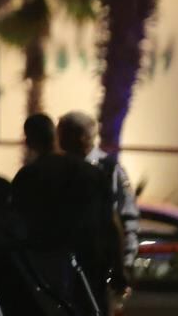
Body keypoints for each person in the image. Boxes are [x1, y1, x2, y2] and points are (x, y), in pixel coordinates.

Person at [9, 113, 119, 299]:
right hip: (90, 263)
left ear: (29, 141)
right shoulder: (91, 173)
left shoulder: (28, 177)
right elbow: (111, 223)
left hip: (45, 268)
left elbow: (17, 224)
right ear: (55, 135)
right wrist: (118, 269)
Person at [58, 110, 140, 291]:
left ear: (80, 137)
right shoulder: (59, 168)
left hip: (98, 261)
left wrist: (125, 262)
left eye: (63, 134)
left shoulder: (108, 168)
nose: (59, 141)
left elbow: (125, 216)